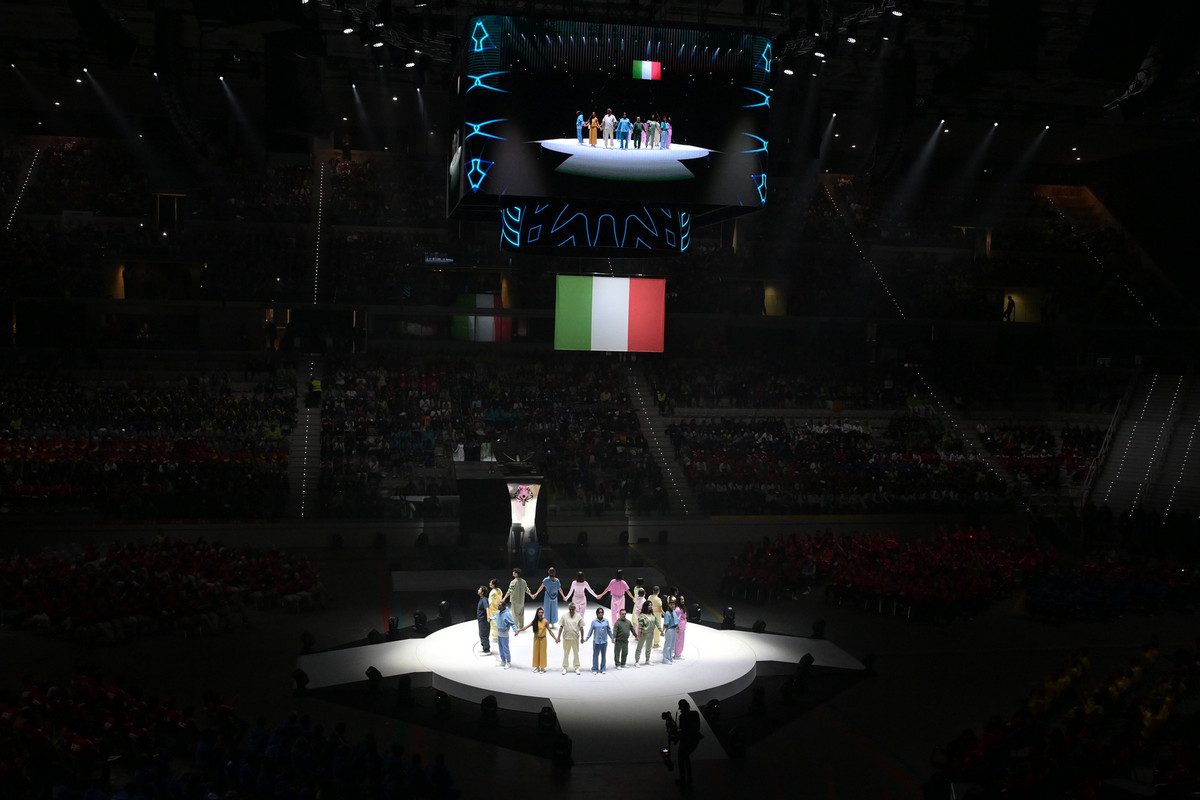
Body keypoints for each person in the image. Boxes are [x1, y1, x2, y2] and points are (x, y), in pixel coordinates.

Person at [515, 607, 553, 673]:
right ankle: (537, 667)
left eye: (542, 613)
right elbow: (526, 627)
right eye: (539, 612)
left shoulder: (545, 621)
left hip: (543, 639)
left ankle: (542, 667)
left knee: (542, 653)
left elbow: (550, 631)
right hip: (536, 639)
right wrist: (519, 630)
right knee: (536, 653)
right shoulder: (535, 621)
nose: (541, 614)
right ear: (537, 613)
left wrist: (555, 638)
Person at [675, 699, 702, 786]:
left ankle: (684, 779)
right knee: (686, 758)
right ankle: (688, 778)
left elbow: (683, 729)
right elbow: (697, 727)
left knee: (681, 759)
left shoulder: (682, 717)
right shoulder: (695, 714)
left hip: (686, 740)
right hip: (693, 740)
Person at [582, 607, 613, 674]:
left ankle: (603, 668)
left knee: (603, 655)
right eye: (599, 613)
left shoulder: (606, 621)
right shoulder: (594, 622)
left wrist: (612, 638)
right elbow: (590, 631)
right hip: (596, 641)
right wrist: (586, 639)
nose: (600, 614)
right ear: (597, 613)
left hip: (604, 641)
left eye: (601, 612)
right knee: (595, 655)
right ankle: (595, 668)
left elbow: (609, 631)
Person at [558, 602, 584, 674]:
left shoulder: (578, 616)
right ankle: (565, 667)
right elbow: (561, 627)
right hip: (566, 637)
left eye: (573, 609)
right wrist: (558, 637)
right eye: (570, 609)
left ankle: (576, 667)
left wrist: (582, 638)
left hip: (575, 637)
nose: (571, 611)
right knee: (566, 653)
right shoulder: (564, 616)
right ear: (568, 609)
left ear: (575, 608)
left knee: (576, 653)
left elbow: (581, 628)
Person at [490, 599, 517, 668]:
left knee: (505, 648)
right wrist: (490, 618)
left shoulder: (507, 614)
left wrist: (515, 630)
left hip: (504, 634)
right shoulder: (498, 612)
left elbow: (512, 623)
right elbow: (495, 617)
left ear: (503, 606)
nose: (498, 606)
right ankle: (503, 660)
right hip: (499, 634)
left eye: (500, 605)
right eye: (498, 605)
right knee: (501, 648)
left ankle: (508, 662)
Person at [634, 600, 661, 666]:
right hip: (643, 634)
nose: (651, 606)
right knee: (639, 647)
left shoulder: (652, 614)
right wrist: (638, 635)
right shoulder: (642, 615)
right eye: (649, 605)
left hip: (651, 633)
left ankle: (647, 660)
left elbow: (657, 622)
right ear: (646, 606)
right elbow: (640, 626)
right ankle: (637, 661)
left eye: (651, 605)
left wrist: (661, 631)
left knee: (648, 647)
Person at [662, 598, 680, 664]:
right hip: (669, 630)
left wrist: (677, 627)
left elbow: (676, 621)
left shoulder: (674, 612)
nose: (673, 606)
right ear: (669, 605)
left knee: (672, 644)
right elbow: (665, 623)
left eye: (673, 604)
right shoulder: (667, 613)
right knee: (668, 645)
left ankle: (670, 657)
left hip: (674, 629)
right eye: (671, 604)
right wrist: (662, 631)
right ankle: (665, 658)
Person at [475, 586, 491, 655]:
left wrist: (488, 617)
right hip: (481, 620)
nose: (478, 590)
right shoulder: (482, 599)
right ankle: (484, 647)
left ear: (482, 592)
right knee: (482, 634)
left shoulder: (484, 599)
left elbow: (487, 608)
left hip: (484, 620)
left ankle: (487, 650)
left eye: (480, 589)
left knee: (483, 634)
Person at [674, 593, 688, 660]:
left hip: (682, 625)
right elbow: (676, 619)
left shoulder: (681, 608)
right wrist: (677, 627)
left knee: (680, 640)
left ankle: (678, 653)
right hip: (679, 626)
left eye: (683, 599)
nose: (683, 600)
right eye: (681, 599)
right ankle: (677, 654)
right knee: (679, 640)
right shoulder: (678, 609)